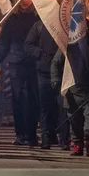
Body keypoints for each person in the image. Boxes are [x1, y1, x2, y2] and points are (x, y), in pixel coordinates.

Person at [50, 19, 89, 157]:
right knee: (74, 119)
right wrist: (56, 80)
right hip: (72, 88)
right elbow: (56, 63)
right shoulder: (67, 44)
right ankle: (77, 144)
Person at [0, 0, 41, 146]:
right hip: (16, 63)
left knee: (33, 98)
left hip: (34, 63)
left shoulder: (38, 18)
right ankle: (21, 133)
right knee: (18, 98)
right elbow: (3, 43)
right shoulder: (12, 20)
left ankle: (32, 133)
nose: (25, 1)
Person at [25, 18, 65, 150]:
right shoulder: (39, 26)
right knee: (45, 106)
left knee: (62, 106)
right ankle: (46, 137)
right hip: (44, 71)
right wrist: (40, 54)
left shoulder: (65, 25)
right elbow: (28, 45)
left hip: (62, 72)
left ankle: (64, 138)